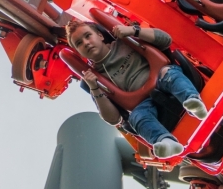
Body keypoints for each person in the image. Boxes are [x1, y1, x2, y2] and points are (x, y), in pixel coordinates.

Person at [66, 19, 207, 159]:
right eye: (79, 43)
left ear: (100, 35)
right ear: (79, 52)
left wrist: (134, 31)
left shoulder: (125, 42)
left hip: (162, 79)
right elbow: (114, 119)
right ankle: (165, 142)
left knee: (169, 73)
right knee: (136, 117)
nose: (86, 43)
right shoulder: (95, 78)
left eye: (88, 36)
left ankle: (193, 101)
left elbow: (166, 40)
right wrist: (95, 88)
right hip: (144, 104)